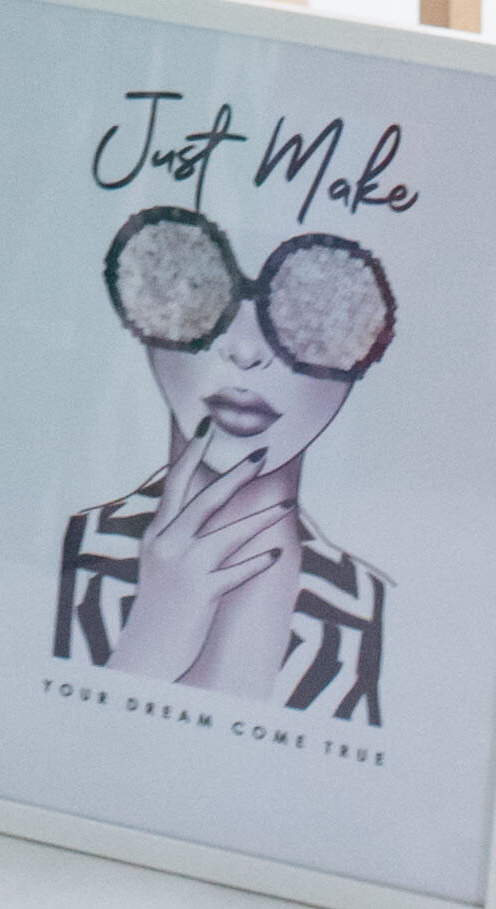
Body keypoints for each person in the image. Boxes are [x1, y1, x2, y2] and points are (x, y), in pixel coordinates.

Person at [55, 208, 393, 722]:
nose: (245, 351)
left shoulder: (376, 611)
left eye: (313, 312)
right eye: (195, 292)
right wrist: (147, 649)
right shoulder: (56, 557)